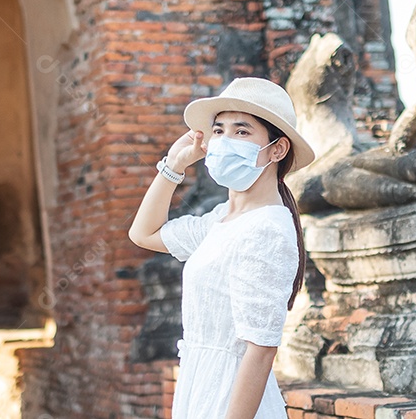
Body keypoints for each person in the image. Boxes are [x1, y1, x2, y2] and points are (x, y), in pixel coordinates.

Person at [128, 77, 316, 418]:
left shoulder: (267, 229)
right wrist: (173, 166)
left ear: (278, 149)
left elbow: (260, 351)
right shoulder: (219, 221)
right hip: (200, 388)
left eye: (242, 131)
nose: (225, 141)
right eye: (218, 131)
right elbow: (144, 233)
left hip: (231, 402)